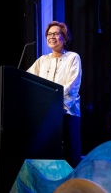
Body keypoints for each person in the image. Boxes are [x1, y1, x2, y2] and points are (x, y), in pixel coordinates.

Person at [26, 21, 82, 168]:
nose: (52, 37)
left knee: (69, 156)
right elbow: (28, 81)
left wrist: (55, 102)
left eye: (56, 34)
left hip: (67, 113)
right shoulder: (42, 61)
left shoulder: (73, 57)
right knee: (48, 156)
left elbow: (73, 85)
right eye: (49, 34)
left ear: (65, 38)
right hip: (46, 115)